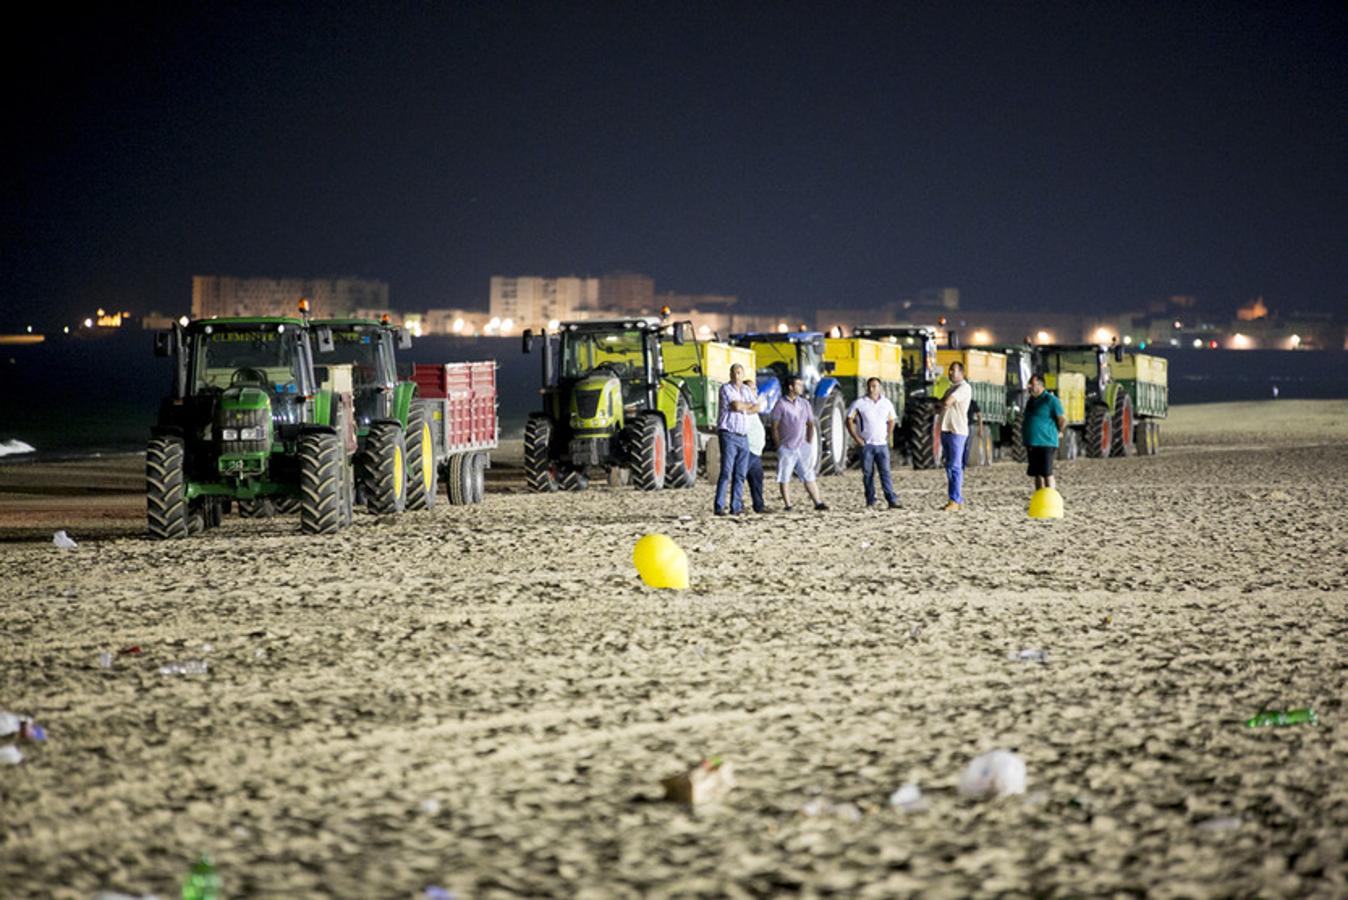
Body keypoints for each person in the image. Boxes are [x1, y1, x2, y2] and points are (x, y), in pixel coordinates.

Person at [770, 375, 827, 511]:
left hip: (802, 446)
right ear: (791, 387)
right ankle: (788, 504)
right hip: (787, 446)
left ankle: (818, 502)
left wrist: (808, 441)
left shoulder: (804, 404)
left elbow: (810, 423)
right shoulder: (781, 404)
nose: (801, 388)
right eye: (798, 385)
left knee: (808, 474)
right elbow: (774, 427)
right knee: (785, 476)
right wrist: (779, 445)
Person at [846, 377, 901, 509]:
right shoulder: (859, 403)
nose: (872, 389)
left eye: (875, 386)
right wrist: (857, 438)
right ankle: (871, 499)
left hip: (882, 445)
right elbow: (849, 420)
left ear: (879, 387)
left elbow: (892, 420)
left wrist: (889, 434)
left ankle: (891, 499)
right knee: (868, 474)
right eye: (870, 386)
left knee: (885, 472)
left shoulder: (887, 403)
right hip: (867, 445)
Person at [714, 363, 759, 516]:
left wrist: (744, 406)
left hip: (743, 435)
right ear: (730, 374)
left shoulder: (746, 389)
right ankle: (719, 505)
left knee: (740, 473)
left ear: (743, 374)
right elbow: (735, 406)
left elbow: (757, 406)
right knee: (726, 471)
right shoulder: (726, 388)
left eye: (739, 373)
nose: (736, 376)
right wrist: (748, 406)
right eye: (734, 373)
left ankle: (736, 506)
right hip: (729, 434)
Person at [1023, 373, 1066, 491]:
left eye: (1032, 384)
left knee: (1047, 472)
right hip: (1032, 442)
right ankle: (1040, 496)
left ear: (1040, 385)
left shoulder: (1050, 400)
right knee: (1037, 473)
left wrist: (1059, 431)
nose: (1029, 387)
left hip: (1046, 442)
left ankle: (1050, 496)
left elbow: (1061, 419)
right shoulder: (1031, 401)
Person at [938, 361, 972, 511]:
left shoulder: (964, 388)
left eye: (953, 371)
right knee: (949, 467)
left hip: (957, 431)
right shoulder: (951, 388)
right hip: (946, 430)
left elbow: (946, 402)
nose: (950, 373)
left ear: (961, 373)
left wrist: (943, 403)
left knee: (955, 466)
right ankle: (955, 499)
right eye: (950, 370)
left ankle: (955, 499)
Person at [745, 410, 768, 514]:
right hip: (749, 450)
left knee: (757, 479)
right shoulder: (746, 410)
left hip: (756, 451)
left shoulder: (754, 411)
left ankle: (759, 505)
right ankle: (737, 505)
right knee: (740, 478)